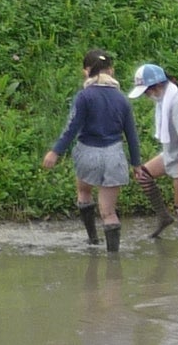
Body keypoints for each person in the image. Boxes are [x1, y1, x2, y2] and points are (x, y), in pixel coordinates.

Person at [42, 48, 142, 253]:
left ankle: (92, 239)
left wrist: (55, 151)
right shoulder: (121, 99)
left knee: (84, 191)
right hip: (114, 155)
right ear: (111, 71)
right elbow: (131, 134)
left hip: (88, 153)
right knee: (108, 212)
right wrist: (136, 163)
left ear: (86, 71)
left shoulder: (84, 97)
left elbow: (72, 128)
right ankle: (114, 261)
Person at [126, 63, 178, 239]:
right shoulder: (164, 99)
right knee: (142, 174)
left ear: (157, 86)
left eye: (147, 91)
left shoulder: (176, 103)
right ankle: (163, 216)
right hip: (171, 152)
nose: (147, 95)